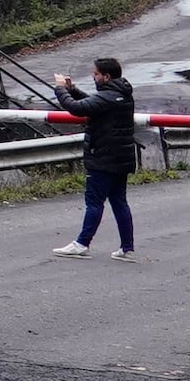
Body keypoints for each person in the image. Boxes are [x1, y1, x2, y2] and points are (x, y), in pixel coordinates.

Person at [53, 56, 140, 257]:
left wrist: (60, 89)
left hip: (102, 157)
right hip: (121, 158)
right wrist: (72, 89)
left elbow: (77, 108)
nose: (93, 77)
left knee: (94, 202)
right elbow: (93, 104)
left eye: (96, 74)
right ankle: (127, 247)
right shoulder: (122, 94)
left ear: (106, 77)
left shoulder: (107, 97)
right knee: (119, 202)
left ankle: (82, 243)